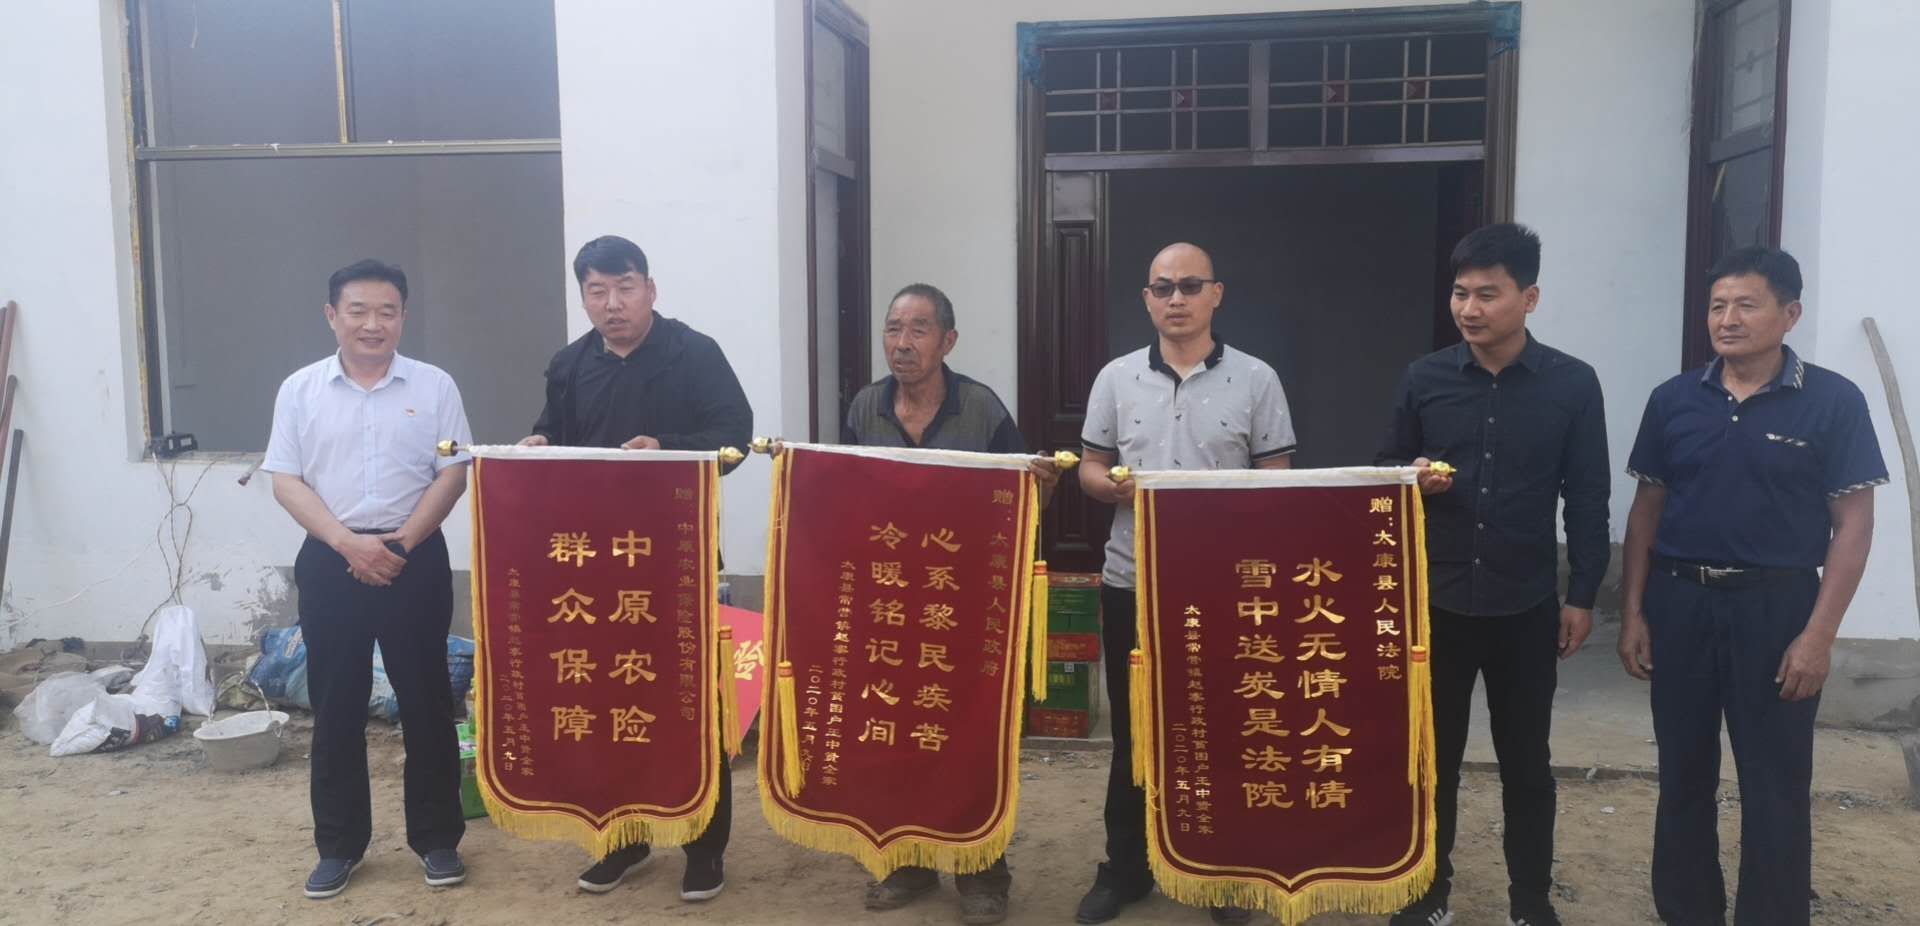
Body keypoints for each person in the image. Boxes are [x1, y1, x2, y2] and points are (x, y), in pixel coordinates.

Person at [1618, 247, 1885, 926]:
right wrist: (1634, 612)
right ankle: (1688, 912)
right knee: (1683, 774)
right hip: (1680, 603)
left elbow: (1853, 526)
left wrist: (1818, 636)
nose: (1727, 319)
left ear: (1790, 314)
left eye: (1746, 304)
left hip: (1778, 609)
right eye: (1717, 306)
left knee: (1776, 783)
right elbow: (1647, 510)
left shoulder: (1833, 401)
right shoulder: (1674, 399)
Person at [1377, 223, 1610, 926]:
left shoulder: (1572, 384)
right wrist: (1412, 477)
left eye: (1487, 294)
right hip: (1438, 604)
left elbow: (1588, 496)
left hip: (1525, 604)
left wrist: (1581, 595)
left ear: (1528, 298)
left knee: (1527, 764)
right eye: (1460, 293)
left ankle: (1529, 901)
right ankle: (1427, 892)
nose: (1469, 309)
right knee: (1430, 761)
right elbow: (1383, 473)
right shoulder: (1425, 378)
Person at [520, 235, 753, 901]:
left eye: (625, 287)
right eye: (597, 291)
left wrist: (666, 449)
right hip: (594, 568)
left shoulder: (694, 354)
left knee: (693, 700)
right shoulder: (570, 365)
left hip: (677, 558)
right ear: (584, 297)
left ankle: (705, 847)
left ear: (650, 289)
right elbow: (556, 434)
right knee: (607, 699)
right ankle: (623, 839)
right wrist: (539, 443)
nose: (612, 304)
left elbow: (735, 438)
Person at [1075, 243, 1296, 926]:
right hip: (1132, 581)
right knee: (1134, 731)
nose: (1177, 299)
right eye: (1163, 287)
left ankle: (1220, 871)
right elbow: (1089, 466)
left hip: (1224, 589)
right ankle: (1126, 868)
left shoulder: (1256, 379)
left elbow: (1278, 477)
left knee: (1220, 725)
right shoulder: (1116, 378)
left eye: (1190, 286)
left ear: (1215, 294)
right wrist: (1110, 487)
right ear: (1147, 299)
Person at [840, 283, 1060, 925]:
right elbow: (844, 494)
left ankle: (981, 871)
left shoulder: (981, 409)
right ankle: (908, 862)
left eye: (919, 329)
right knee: (897, 731)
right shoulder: (865, 407)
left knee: (969, 736)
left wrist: (1042, 485)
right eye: (893, 329)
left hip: (963, 603)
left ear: (948, 341)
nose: (902, 343)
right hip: (891, 602)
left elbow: (1023, 500)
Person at [262, 259, 474, 900]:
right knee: (336, 706)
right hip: (332, 559)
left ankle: (437, 840)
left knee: (427, 701)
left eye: (387, 311)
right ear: (333, 315)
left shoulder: (434, 386)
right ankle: (339, 846)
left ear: (403, 316)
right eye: (358, 311)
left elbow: (454, 472)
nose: (372, 324)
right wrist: (346, 543)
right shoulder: (300, 389)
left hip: (415, 557)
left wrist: (401, 542)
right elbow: (286, 479)